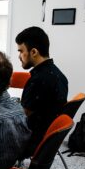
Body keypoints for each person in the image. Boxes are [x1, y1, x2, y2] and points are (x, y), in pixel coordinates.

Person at [15, 26, 68, 157]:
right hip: (45, 141)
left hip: (29, 142)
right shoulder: (59, 75)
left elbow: (20, 117)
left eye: (21, 51)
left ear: (33, 52)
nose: (19, 56)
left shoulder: (38, 80)